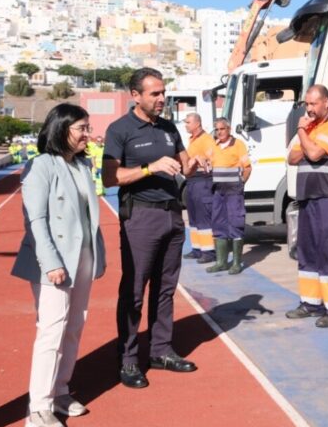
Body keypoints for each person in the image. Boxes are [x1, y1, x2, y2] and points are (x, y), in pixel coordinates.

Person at [12, 104, 107, 427]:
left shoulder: (82, 165)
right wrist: (50, 262)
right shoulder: (41, 166)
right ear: (61, 129)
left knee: (75, 324)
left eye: (88, 127)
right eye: (81, 128)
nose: (87, 134)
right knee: (52, 329)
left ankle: (61, 391)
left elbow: (89, 216)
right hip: (53, 260)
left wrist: (98, 255)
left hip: (82, 256)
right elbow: (36, 220)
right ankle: (38, 406)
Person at [103, 68, 197, 389]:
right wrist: (150, 167)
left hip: (172, 215)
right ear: (136, 95)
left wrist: (198, 164)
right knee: (133, 290)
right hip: (140, 217)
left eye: (163, 92)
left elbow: (186, 165)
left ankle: (161, 350)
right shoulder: (120, 130)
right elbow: (109, 178)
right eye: (155, 93)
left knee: (166, 288)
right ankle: (128, 359)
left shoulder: (170, 128)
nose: (161, 98)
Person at [285, 85, 328, 328]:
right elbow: (291, 158)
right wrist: (307, 139)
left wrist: (302, 132)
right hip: (309, 198)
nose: (309, 109)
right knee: (308, 251)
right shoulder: (311, 127)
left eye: (314, 104)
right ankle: (310, 303)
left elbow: (313, 154)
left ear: (326, 103)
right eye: (306, 104)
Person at [202, 117, 252, 274]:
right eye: (217, 129)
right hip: (218, 191)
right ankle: (221, 262)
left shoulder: (238, 145)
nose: (219, 132)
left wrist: (240, 185)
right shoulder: (214, 145)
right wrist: (204, 163)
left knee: (235, 222)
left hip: (233, 191)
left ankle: (236, 263)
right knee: (218, 223)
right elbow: (206, 160)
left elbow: (247, 168)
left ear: (229, 129)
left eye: (222, 129)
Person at [182, 112, 216, 263]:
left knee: (203, 216)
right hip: (192, 181)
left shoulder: (206, 140)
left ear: (197, 123)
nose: (186, 125)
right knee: (193, 217)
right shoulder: (193, 140)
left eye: (188, 122)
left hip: (202, 181)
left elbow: (212, 160)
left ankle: (209, 252)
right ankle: (197, 249)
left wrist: (200, 160)